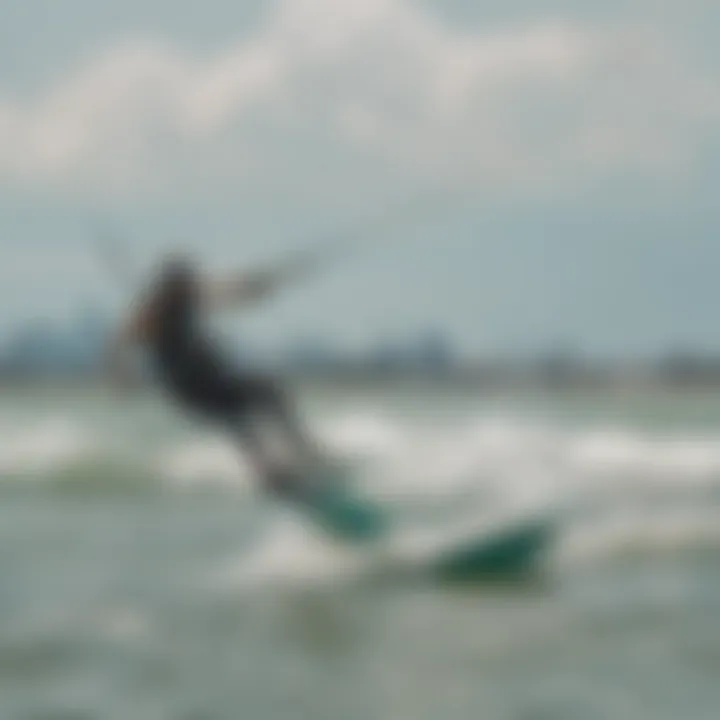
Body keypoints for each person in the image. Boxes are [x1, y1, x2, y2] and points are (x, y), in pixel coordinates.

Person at [107, 253, 321, 499]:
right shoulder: (153, 313)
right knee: (239, 420)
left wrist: (260, 285)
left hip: (215, 379)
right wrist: (120, 378)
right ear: (168, 287)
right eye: (182, 286)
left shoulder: (192, 297)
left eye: (188, 284)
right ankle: (271, 475)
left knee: (271, 393)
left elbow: (235, 293)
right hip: (191, 389)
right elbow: (120, 342)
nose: (188, 289)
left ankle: (306, 455)